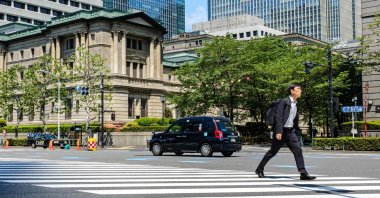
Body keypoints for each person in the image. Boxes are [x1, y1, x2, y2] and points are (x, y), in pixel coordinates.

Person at [255, 84, 316, 180]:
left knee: (298, 150)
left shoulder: (296, 103)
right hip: (282, 131)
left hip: (291, 131)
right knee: (273, 152)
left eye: (300, 89)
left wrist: (297, 129)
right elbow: (278, 117)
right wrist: (279, 131)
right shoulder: (284, 102)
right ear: (292, 91)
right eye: (298, 89)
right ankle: (259, 169)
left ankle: (303, 173)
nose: (300, 91)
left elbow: (293, 118)